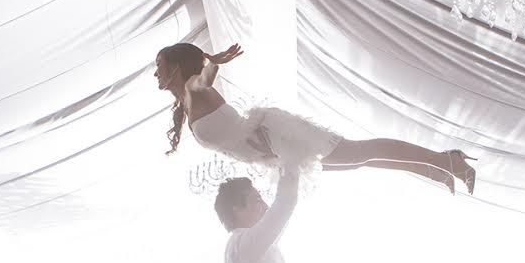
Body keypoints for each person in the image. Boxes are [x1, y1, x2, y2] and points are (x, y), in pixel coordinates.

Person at [155, 43, 477, 194]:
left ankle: (447, 161)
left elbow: (204, 79)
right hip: (270, 150)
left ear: (177, 69)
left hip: (275, 136)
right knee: (358, 161)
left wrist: (213, 63)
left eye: (160, 65)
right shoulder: (185, 104)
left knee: (361, 152)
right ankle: (437, 170)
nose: (157, 72)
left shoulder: (192, 88)